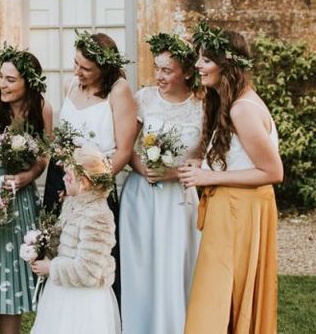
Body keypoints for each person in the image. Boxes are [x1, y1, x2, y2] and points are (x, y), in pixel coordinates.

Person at [178, 23, 282, 334]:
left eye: (206, 59)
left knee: (221, 294)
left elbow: (273, 172)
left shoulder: (242, 109)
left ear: (228, 65)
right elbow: (241, 158)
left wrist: (206, 177)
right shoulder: (230, 102)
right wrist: (204, 164)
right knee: (223, 293)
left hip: (241, 213)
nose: (197, 65)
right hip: (231, 209)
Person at [42, 30, 138, 303]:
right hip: (62, 179)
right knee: (59, 247)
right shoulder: (70, 85)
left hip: (96, 186)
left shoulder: (118, 91)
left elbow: (125, 150)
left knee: (89, 255)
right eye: (76, 64)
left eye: (86, 68)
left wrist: (94, 183)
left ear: (104, 68)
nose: (78, 72)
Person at [119, 32, 203, 334]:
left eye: (167, 70)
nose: (159, 76)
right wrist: (146, 170)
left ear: (188, 72)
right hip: (141, 197)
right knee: (142, 267)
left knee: (175, 264)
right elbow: (125, 147)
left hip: (179, 199)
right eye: (157, 68)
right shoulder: (144, 98)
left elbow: (206, 158)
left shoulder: (202, 106)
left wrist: (174, 173)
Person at [0, 46, 53, 334]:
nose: (2, 85)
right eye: (1, 78)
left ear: (28, 82)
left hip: (20, 202)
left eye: (11, 79)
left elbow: (44, 156)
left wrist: (26, 176)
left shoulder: (42, 108)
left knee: (11, 281)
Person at [30, 145, 120, 334]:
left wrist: (51, 267)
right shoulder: (73, 203)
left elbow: (88, 271)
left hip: (84, 300)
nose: (63, 178)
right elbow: (64, 246)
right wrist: (41, 245)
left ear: (84, 181)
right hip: (62, 291)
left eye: (69, 174)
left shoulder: (98, 216)